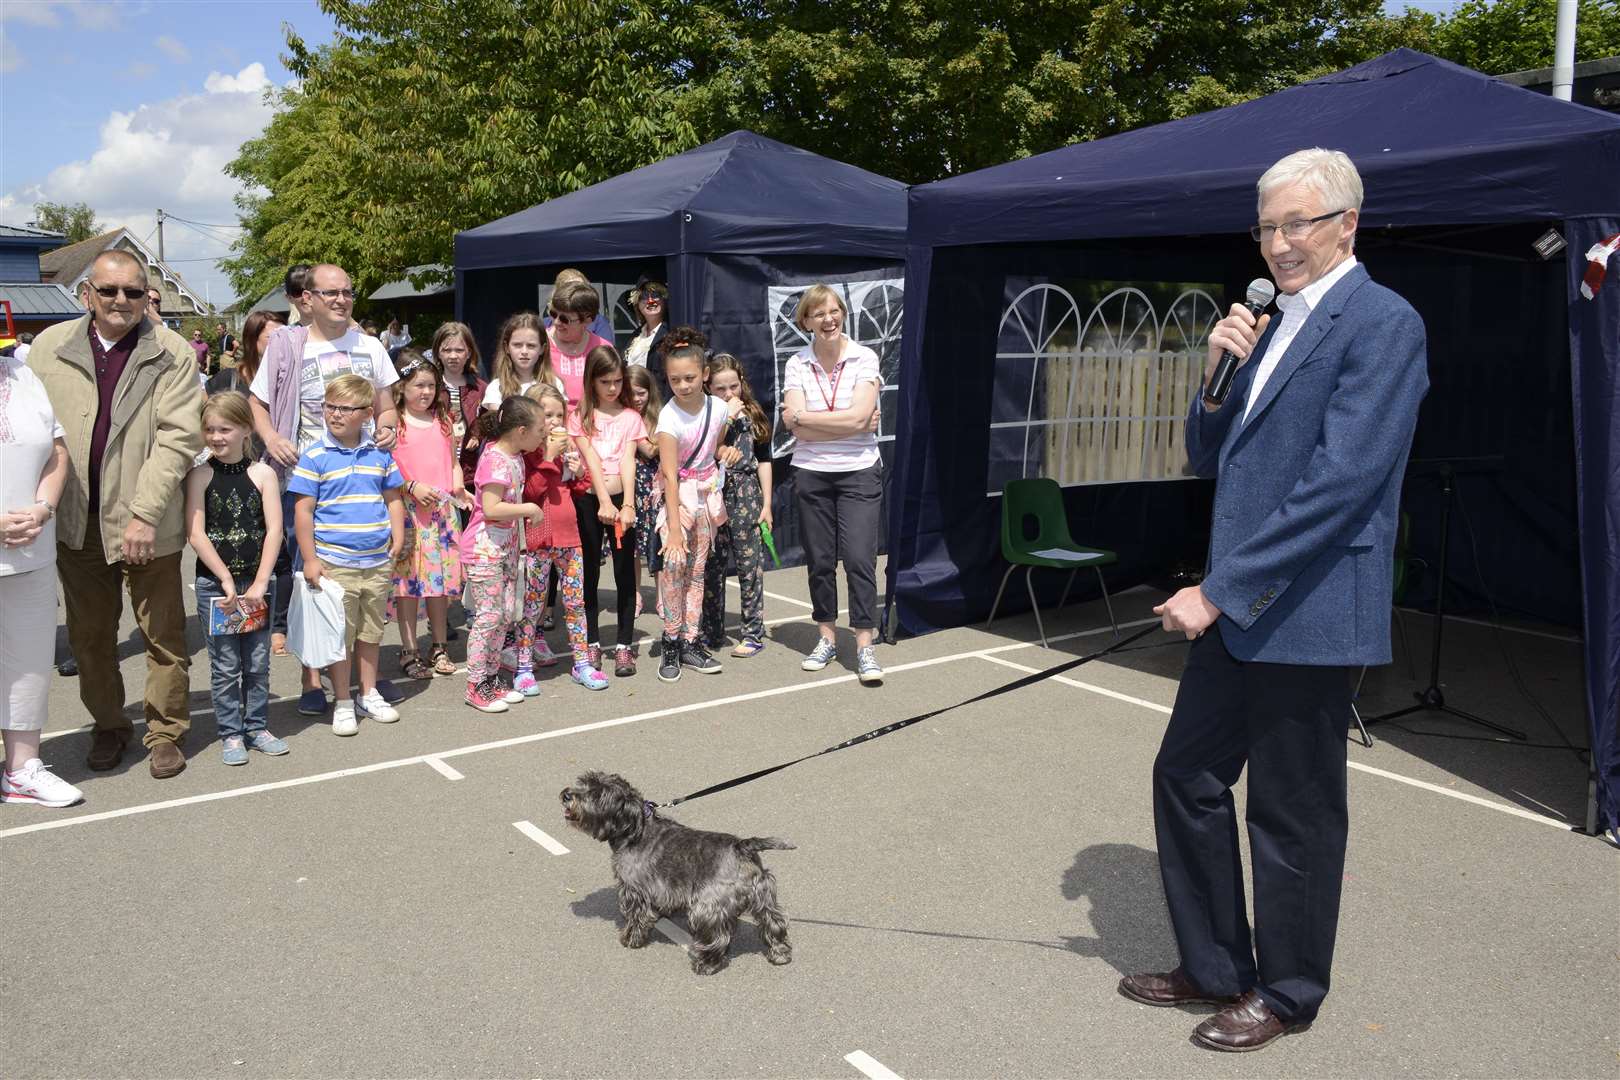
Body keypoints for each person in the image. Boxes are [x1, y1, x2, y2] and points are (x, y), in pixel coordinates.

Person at [1124, 148, 1428, 1053]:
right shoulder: (1269, 320)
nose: (1279, 244)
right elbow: (1213, 455)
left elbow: (1341, 484)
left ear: (1347, 225)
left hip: (1309, 607)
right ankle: (1215, 967)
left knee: (1293, 814)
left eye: (1297, 223)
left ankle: (1289, 992)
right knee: (1187, 775)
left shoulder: (1382, 323)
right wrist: (1216, 374)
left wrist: (1218, 591)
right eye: (1266, 226)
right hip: (1241, 606)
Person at [30, 249, 204, 779]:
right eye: (109, 291)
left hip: (149, 523)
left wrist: (144, 515)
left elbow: (178, 439)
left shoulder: (172, 351)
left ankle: (166, 732)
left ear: (145, 292)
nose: (121, 301)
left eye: (132, 291)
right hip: (76, 521)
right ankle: (108, 725)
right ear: (88, 294)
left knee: (163, 637)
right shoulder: (47, 349)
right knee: (90, 639)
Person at [249, 263, 400, 716]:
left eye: (347, 293)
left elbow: (387, 404)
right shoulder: (287, 345)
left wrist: (388, 426)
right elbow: (257, 403)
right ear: (307, 298)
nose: (340, 300)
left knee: (361, 587)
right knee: (312, 581)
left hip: (361, 475)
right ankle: (312, 679)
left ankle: (362, 685)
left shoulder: (370, 346)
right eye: (330, 292)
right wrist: (273, 438)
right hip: (308, 476)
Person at [287, 374, 407, 736]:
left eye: (345, 408)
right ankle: (341, 699)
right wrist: (310, 559)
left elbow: (393, 499)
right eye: (329, 407)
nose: (335, 414)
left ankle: (367, 693)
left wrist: (397, 536)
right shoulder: (315, 456)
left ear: (368, 414)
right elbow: (303, 512)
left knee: (370, 633)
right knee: (339, 636)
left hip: (376, 562)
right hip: (335, 564)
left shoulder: (380, 454)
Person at [779, 284, 884, 686]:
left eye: (834, 310)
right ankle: (825, 636)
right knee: (820, 561)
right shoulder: (796, 363)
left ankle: (863, 645)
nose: (828, 319)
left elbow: (860, 418)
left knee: (859, 558)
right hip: (811, 471)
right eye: (818, 313)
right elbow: (793, 422)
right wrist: (845, 422)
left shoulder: (864, 356)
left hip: (859, 470)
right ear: (805, 321)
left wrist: (808, 421)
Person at [184, 392, 287, 766]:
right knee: (225, 666)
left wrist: (260, 583)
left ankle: (257, 726)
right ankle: (230, 733)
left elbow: (274, 530)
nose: (216, 436)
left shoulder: (263, 474)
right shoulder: (200, 474)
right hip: (218, 588)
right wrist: (225, 578)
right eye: (209, 429)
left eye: (225, 429)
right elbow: (195, 533)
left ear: (245, 429)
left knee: (257, 662)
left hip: (257, 586)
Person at [0, 349, 81, 807]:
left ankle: (22, 768)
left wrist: (43, 508)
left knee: (28, 660)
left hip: (30, 547)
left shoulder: (24, 373)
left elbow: (56, 453)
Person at [460, 395, 546, 713]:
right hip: (484, 550)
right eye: (540, 430)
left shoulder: (515, 457)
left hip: (505, 548)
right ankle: (475, 684)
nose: (543, 436)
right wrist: (528, 508)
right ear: (521, 430)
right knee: (488, 617)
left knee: (504, 615)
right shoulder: (494, 460)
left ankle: (492, 677)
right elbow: (492, 508)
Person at [518, 382, 604, 691]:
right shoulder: (527, 455)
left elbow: (580, 490)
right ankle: (524, 665)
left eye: (559, 415)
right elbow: (531, 492)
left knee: (575, 604)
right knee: (532, 605)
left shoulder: (567, 449)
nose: (554, 422)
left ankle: (582, 662)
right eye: (547, 416)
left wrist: (580, 473)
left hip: (570, 538)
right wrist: (547, 460)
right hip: (538, 540)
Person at [652, 342, 729, 682]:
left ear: (705, 375)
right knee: (673, 568)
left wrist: (725, 452)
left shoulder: (719, 408)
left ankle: (690, 640)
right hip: (678, 499)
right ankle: (670, 640)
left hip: (707, 496)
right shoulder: (669, 417)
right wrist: (671, 527)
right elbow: (669, 474)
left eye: (689, 378)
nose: (683, 386)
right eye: (674, 380)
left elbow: (717, 443)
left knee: (697, 572)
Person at [389, 351, 466, 680]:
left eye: (431, 386)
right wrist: (411, 487)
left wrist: (459, 485)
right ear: (402, 386)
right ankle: (409, 648)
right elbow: (386, 471)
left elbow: (452, 463)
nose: (425, 392)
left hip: (442, 514)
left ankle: (439, 645)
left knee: (439, 586)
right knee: (408, 585)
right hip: (408, 514)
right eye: (418, 385)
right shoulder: (395, 423)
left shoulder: (443, 421)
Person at [569, 346, 644, 677]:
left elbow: (629, 460)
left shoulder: (631, 417)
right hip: (589, 500)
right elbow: (591, 462)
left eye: (617, 381)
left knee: (625, 572)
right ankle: (592, 642)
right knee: (590, 573)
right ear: (591, 381)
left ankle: (625, 645)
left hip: (621, 504)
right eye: (605, 382)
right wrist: (603, 501)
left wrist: (627, 503)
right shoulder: (580, 416)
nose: (612, 388)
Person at [700, 354, 773, 658]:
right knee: (712, 568)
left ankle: (753, 632)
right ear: (709, 388)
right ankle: (712, 632)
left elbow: (765, 460)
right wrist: (726, 416)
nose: (730, 394)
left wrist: (767, 504)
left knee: (749, 566)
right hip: (715, 494)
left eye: (734, 386)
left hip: (746, 493)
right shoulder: (707, 415)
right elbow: (704, 447)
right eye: (721, 389)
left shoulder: (754, 414)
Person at [626, 364, 663, 618]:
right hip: (633, 487)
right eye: (631, 394)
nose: (637, 399)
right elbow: (649, 449)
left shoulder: (659, 416)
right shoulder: (626, 419)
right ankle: (636, 595)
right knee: (633, 548)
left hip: (657, 487)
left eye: (641, 393)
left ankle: (662, 596)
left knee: (659, 542)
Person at [430, 321, 485, 488]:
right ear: (438, 353)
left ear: (469, 353)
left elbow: (487, 421)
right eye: (447, 350)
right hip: (438, 468)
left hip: (470, 470)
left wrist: (477, 434)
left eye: (459, 350)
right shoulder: (431, 386)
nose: (453, 356)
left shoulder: (480, 388)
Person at [547, 282, 612, 414]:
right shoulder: (540, 343)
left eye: (565, 319)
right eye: (554, 314)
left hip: (590, 423)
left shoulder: (603, 348)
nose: (557, 322)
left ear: (587, 320)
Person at [481, 311, 555, 412]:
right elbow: (499, 422)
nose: (524, 351)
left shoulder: (554, 384)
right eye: (517, 345)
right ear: (507, 348)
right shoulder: (496, 387)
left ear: (542, 349)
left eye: (531, 346)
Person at [551, 268, 615, 343]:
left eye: (580, 289)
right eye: (554, 315)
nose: (557, 322)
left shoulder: (600, 324)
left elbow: (605, 352)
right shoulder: (545, 324)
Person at [623, 278, 669, 375]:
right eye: (644, 296)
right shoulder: (635, 336)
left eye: (656, 295)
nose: (650, 301)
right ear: (637, 304)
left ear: (664, 300)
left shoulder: (671, 333)